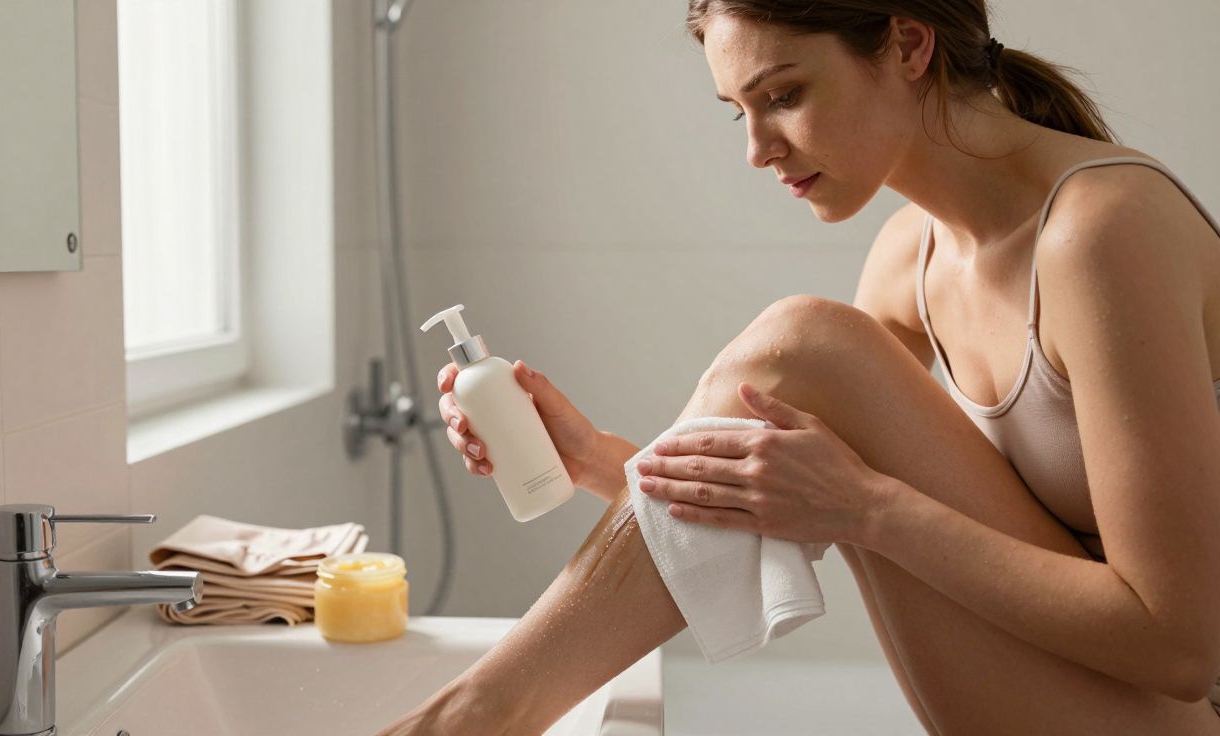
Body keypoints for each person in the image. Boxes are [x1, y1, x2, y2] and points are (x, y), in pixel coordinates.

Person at [378, 1, 1220, 733]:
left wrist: (872, 510)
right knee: (805, 354)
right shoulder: (911, 257)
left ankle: (473, 718)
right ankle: (475, 716)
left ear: (909, 45)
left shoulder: (1102, 234)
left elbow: (1182, 647)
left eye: (783, 96)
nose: (757, 149)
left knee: (806, 342)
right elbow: (794, 499)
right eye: (738, 112)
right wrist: (597, 459)